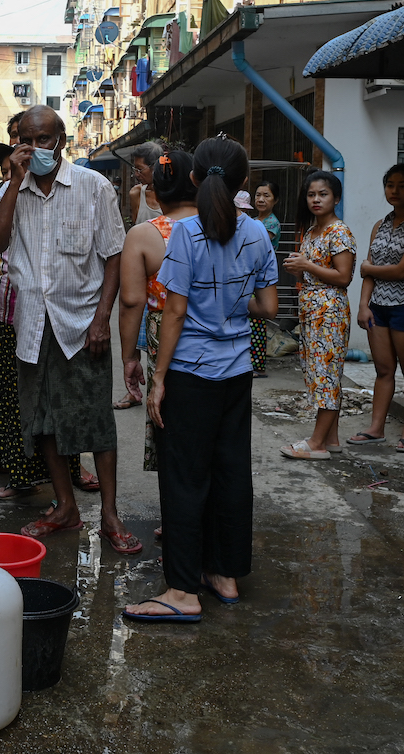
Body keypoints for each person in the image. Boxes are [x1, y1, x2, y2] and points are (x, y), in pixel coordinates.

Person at [124, 138, 279, 621]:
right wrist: (233, 308)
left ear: (194, 179)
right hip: (236, 374)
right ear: (243, 182)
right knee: (230, 472)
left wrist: (159, 379)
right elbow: (269, 308)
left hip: (191, 373)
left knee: (184, 479)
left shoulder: (185, 235)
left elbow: (174, 313)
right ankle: (224, 574)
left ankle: (183, 592)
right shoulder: (257, 233)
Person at [0, 104, 141, 554]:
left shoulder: (94, 187)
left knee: (95, 422)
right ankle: (65, 506)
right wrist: (14, 183)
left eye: (43, 140)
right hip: (31, 323)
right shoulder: (11, 191)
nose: (33, 149)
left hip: (81, 322)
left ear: (62, 142)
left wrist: (101, 319)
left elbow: (113, 255)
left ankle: (110, 514)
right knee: (44, 420)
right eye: (25, 140)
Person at [118, 150, 199, 476]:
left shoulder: (145, 234)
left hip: (164, 333)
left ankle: (178, 513)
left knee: (169, 414)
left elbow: (132, 301)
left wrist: (129, 357)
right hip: (220, 342)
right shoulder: (227, 226)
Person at [350, 164, 404, 453]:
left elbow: (401, 271)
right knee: (383, 370)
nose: (395, 191)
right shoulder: (380, 224)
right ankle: (376, 429)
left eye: (402, 186)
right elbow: (370, 273)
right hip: (378, 308)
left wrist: (366, 268)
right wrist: (363, 305)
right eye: (390, 185)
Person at [280, 170, 356, 461]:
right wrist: (299, 267)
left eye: (322, 194)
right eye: (311, 194)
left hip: (330, 312)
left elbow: (344, 276)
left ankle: (317, 443)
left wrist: (307, 267)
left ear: (335, 197)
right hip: (312, 311)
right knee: (319, 373)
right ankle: (331, 438)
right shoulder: (312, 231)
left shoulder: (339, 231)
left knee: (326, 376)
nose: (315, 199)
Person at [234, 189, 268, 379]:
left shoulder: (257, 227)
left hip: (255, 280)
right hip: (248, 280)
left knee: (256, 324)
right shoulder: (253, 225)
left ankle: (257, 364)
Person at [127, 142, 164, 225]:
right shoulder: (136, 193)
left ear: (155, 166)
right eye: (135, 169)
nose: (136, 174)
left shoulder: (172, 194)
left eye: (140, 169)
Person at [253, 182, 282, 253]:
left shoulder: (272, 222)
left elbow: (257, 242)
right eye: (258, 195)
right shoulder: (253, 220)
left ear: (275, 200)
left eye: (266, 196)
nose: (261, 200)